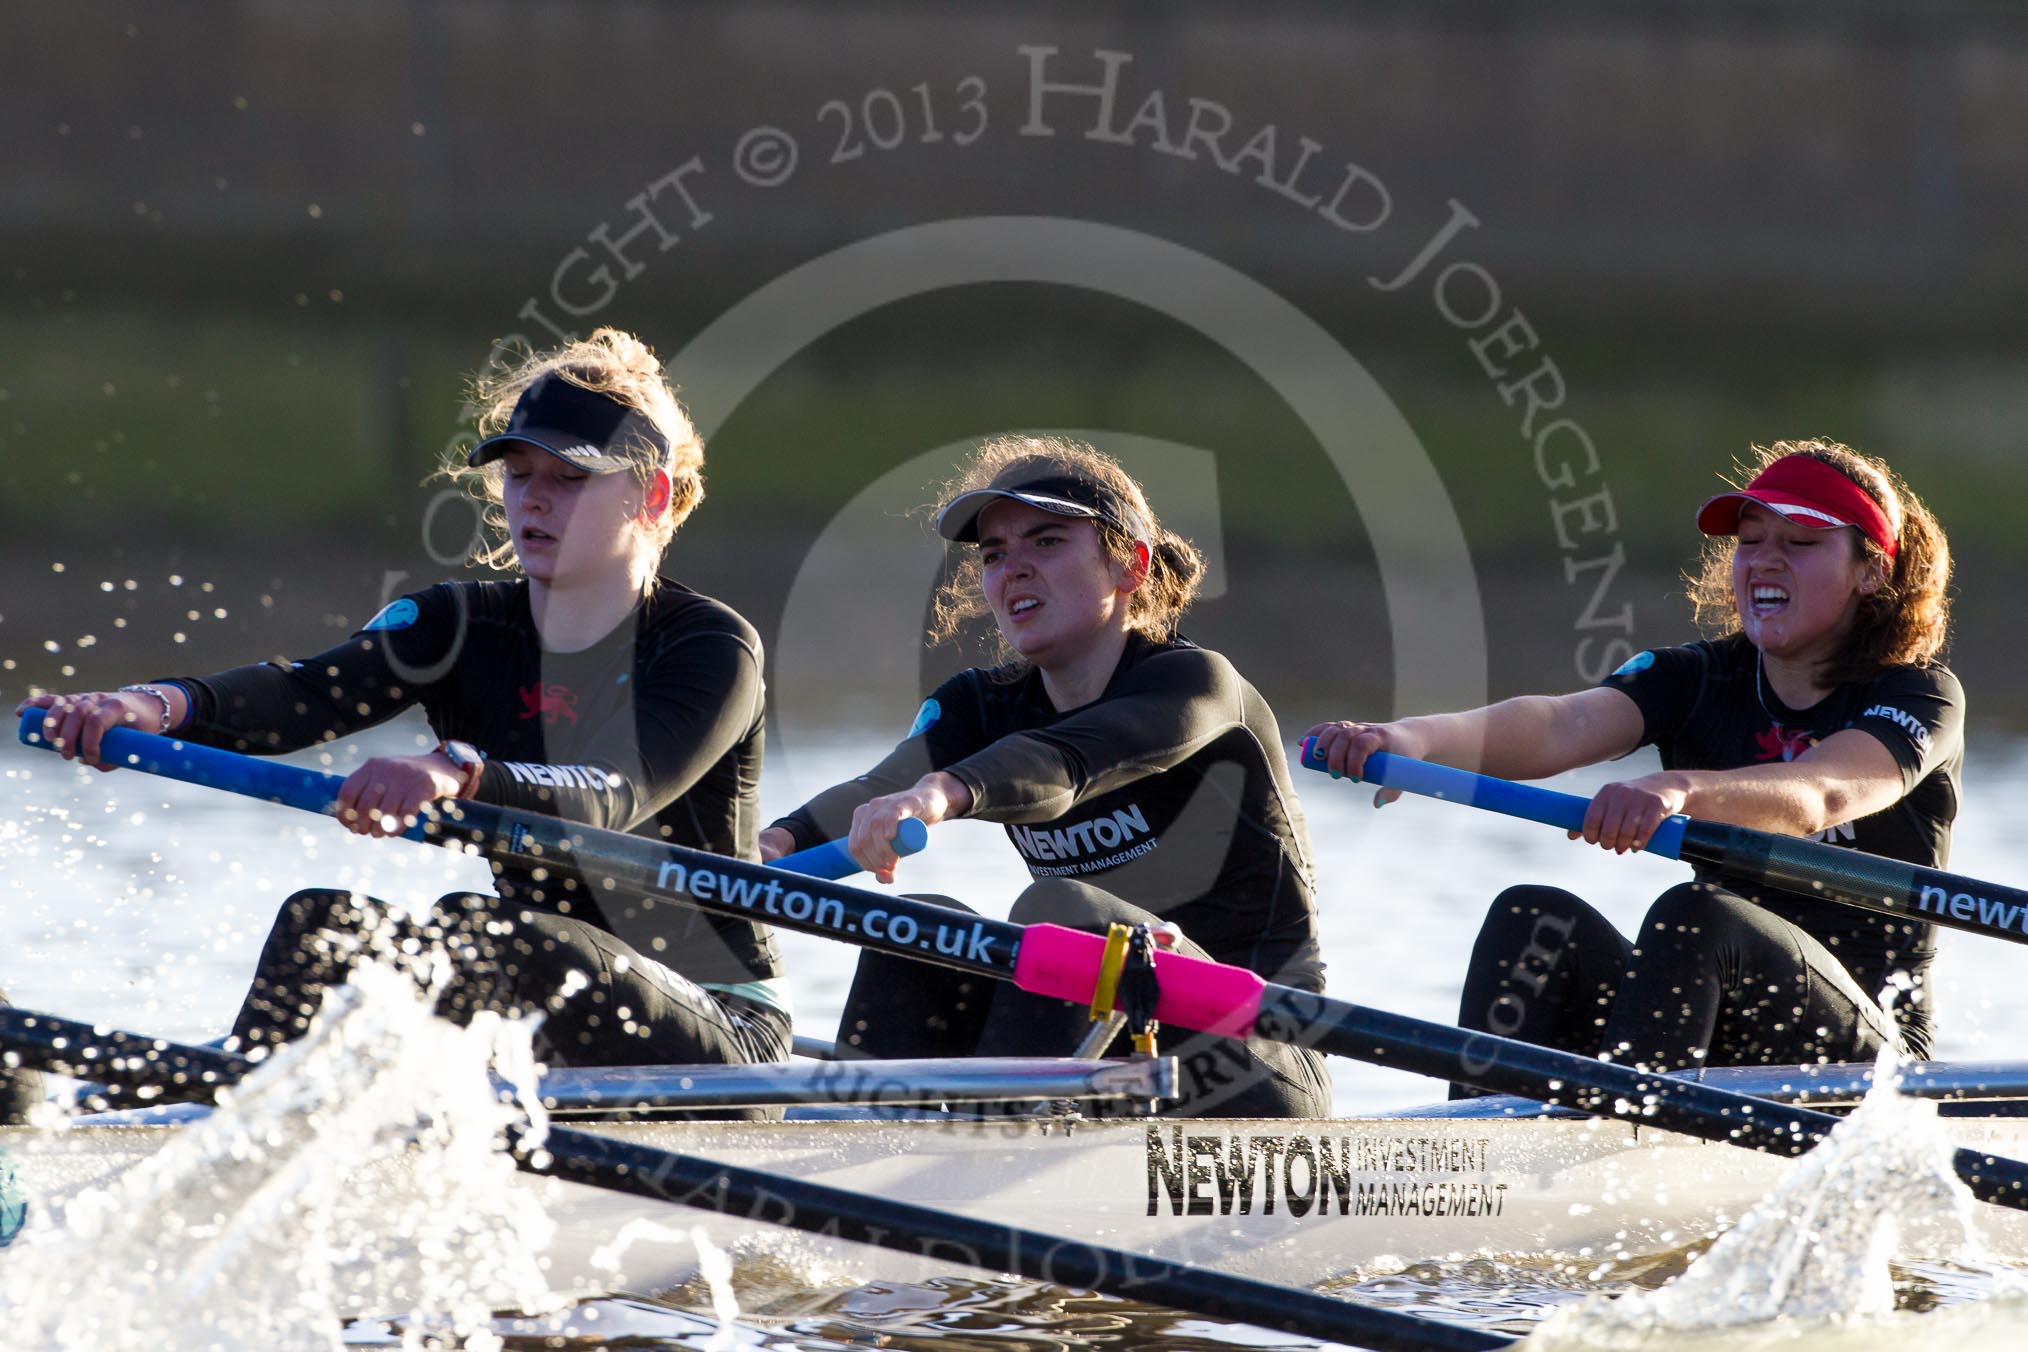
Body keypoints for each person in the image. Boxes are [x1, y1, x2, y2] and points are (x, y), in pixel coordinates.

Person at [18, 329, 788, 1109]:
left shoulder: (710, 649)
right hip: (531, 981)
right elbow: (302, 694)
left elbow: (614, 792)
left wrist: (454, 772)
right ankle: (208, 1134)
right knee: (323, 927)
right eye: (519, 476)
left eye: (570, 478)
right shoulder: (457, 626)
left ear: (651, 496)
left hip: (721, 1033)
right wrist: (149, 706)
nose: (535, 500)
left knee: (480, 931)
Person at [1307, 439, 1959, 1081]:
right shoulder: (1697, 678)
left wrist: (1677, 789)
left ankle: (1641, 1143)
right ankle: (1484, 1158)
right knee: (1532, 919)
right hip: (1709, 1030)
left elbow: (1825, 792)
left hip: (1868, 1061)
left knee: (1698, 915)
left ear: (1871, 571)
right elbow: (1564, 724)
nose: (1765, 561)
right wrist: (1412, 739)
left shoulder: (1919, 695)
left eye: (1801, 543)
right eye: (1752, 540)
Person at [759, 436, 1332, 1118]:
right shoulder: (980, 704)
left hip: (1258, 1058)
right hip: (1111, 1058)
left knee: (1061, 912)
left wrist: (942, 792)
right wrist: (768, 847)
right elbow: (871, 792)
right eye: (995, 555)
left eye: (1047, 542)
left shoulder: (1196, 687)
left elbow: (1069, 761)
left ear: (1131, 566)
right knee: (917, 929)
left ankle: (991, 1151)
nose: (1013, 570)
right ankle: (850, 1154)